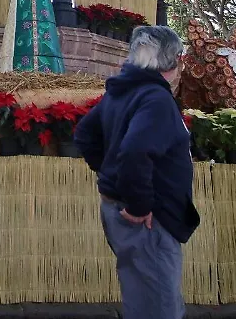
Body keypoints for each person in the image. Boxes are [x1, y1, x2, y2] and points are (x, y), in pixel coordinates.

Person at [74, 25, 199, 319]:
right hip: (147, 221)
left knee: (143, 298)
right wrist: (139, 204)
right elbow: (134, 150)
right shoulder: (155, 99)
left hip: (125, 211)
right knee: (157, 308)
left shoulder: (123, 92)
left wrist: (112, 177)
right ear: (172, 61)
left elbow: (85, 134)